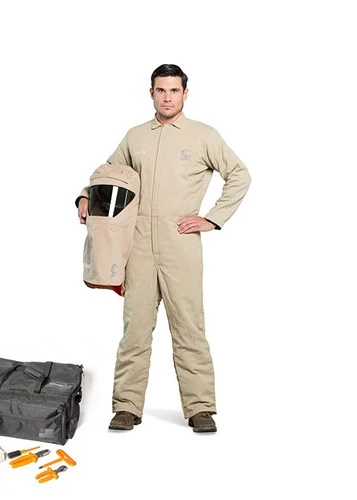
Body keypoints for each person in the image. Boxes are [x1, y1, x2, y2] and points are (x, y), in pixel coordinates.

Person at [75, 64, 251, 433]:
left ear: (185, 93)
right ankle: (127, 406)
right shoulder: (136, 136)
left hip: (180, 243)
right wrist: (85, 196)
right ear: (151, 93)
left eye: (174, 90)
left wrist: (212, 218)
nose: (167, 97)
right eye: (160, 90)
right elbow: (108, 172)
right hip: (138, 244)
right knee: (135, 329)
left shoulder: (203, 135)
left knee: (189, 327)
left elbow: (239, 174)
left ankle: (200, 407)